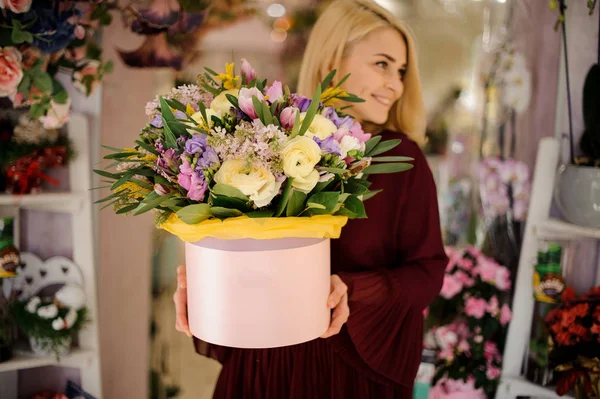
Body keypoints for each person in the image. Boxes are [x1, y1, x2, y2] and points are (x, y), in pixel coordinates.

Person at [173, 0, 448, 397]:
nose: (397, 85)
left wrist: (352, 290)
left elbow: (427, 272)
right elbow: (234, 237)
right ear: (333, 58)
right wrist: (200, 281)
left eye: (401, 71)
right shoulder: (269, 139)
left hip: (351, 374)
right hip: (265, 366)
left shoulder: (401, 159)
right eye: (383, 64)